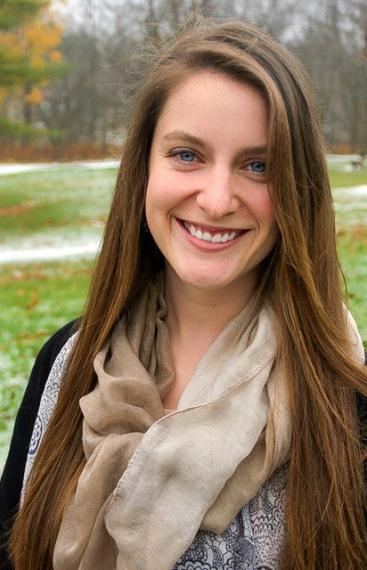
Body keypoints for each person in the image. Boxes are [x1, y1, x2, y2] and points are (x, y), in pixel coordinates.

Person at [1, 18, 366, 570]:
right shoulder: (68, 362)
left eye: (258, 166)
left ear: (297, 188)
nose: (217, 200)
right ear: (144, 165)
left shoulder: (343, 399)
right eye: (187, 155)